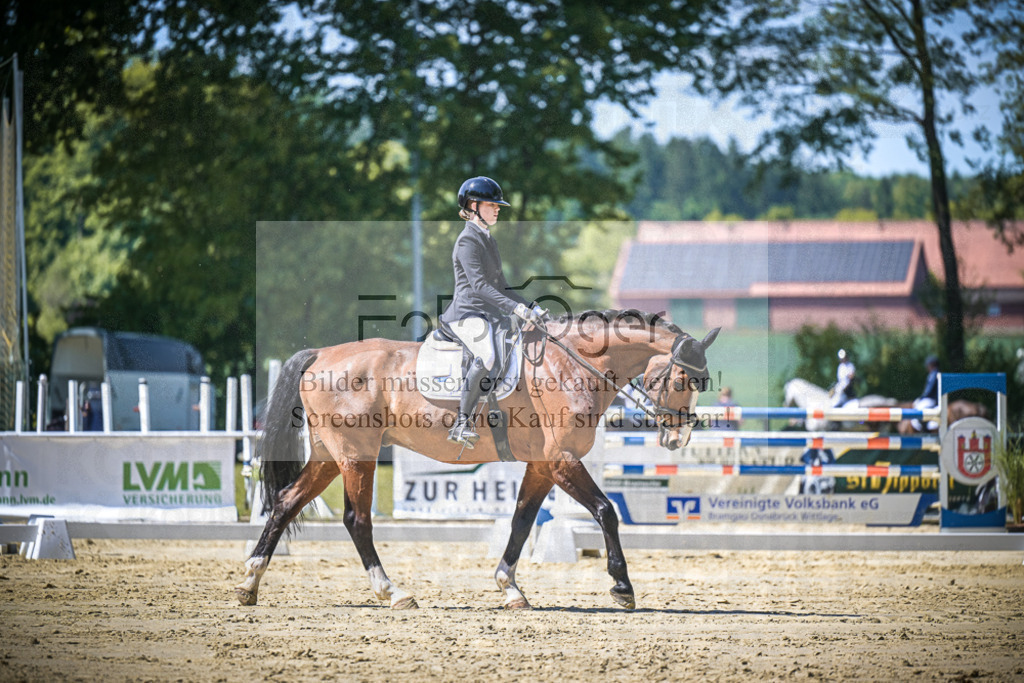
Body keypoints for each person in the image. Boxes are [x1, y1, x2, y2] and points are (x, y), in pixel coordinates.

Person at [439, 176, 546, 448]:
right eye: (492, 204)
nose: (498, 209)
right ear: (473, 206)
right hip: (466, 314)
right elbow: (479, 286)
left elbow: (502, 286)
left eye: (498, 205)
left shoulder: (488, 240)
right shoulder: (467, 241)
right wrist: (516, 309)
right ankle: (461, 424)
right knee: (486, 355)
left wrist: (529, 306)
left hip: (487, 315)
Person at [911, 354, 940, 431]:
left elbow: (929, 391)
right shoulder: (934, 374)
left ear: (932, 365)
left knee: (918, 408)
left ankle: (923, 428)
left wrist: (921, 398)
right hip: (933, 398)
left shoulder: (934, 374)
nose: (927, 367)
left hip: (932, 399)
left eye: (928, 365)